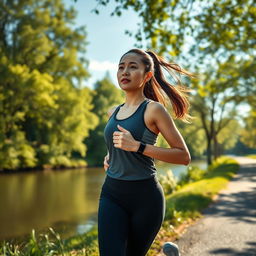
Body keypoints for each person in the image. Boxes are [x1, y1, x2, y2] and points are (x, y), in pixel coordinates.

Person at [98, 48, 194, 256]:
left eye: (133, 67)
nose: (125, 72)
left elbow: (183, 156)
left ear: (147, 75)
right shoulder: (112, 111)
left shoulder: (154, 110)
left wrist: (139, 147)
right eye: (121, 67)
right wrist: (110, 157)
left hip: (145, 199)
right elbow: (116, 145)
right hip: (112, 194)